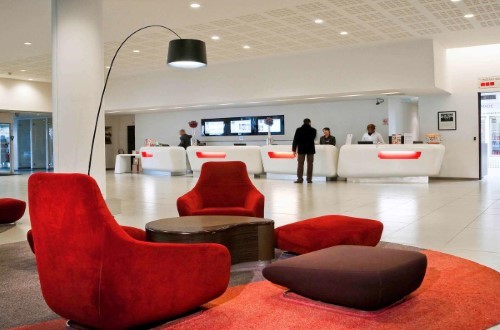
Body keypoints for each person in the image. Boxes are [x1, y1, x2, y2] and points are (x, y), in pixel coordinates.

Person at [292, 118, 317, 183]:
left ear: (303, 122)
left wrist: (294, 149)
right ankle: (309, 179)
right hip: (310, 149)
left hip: (301, 149)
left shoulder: (299, 130)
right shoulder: (313, 130)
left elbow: (295, 140)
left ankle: (299, 179)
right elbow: (312, 138)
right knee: (310, 164)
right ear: (309, 123)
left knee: (300, 164)